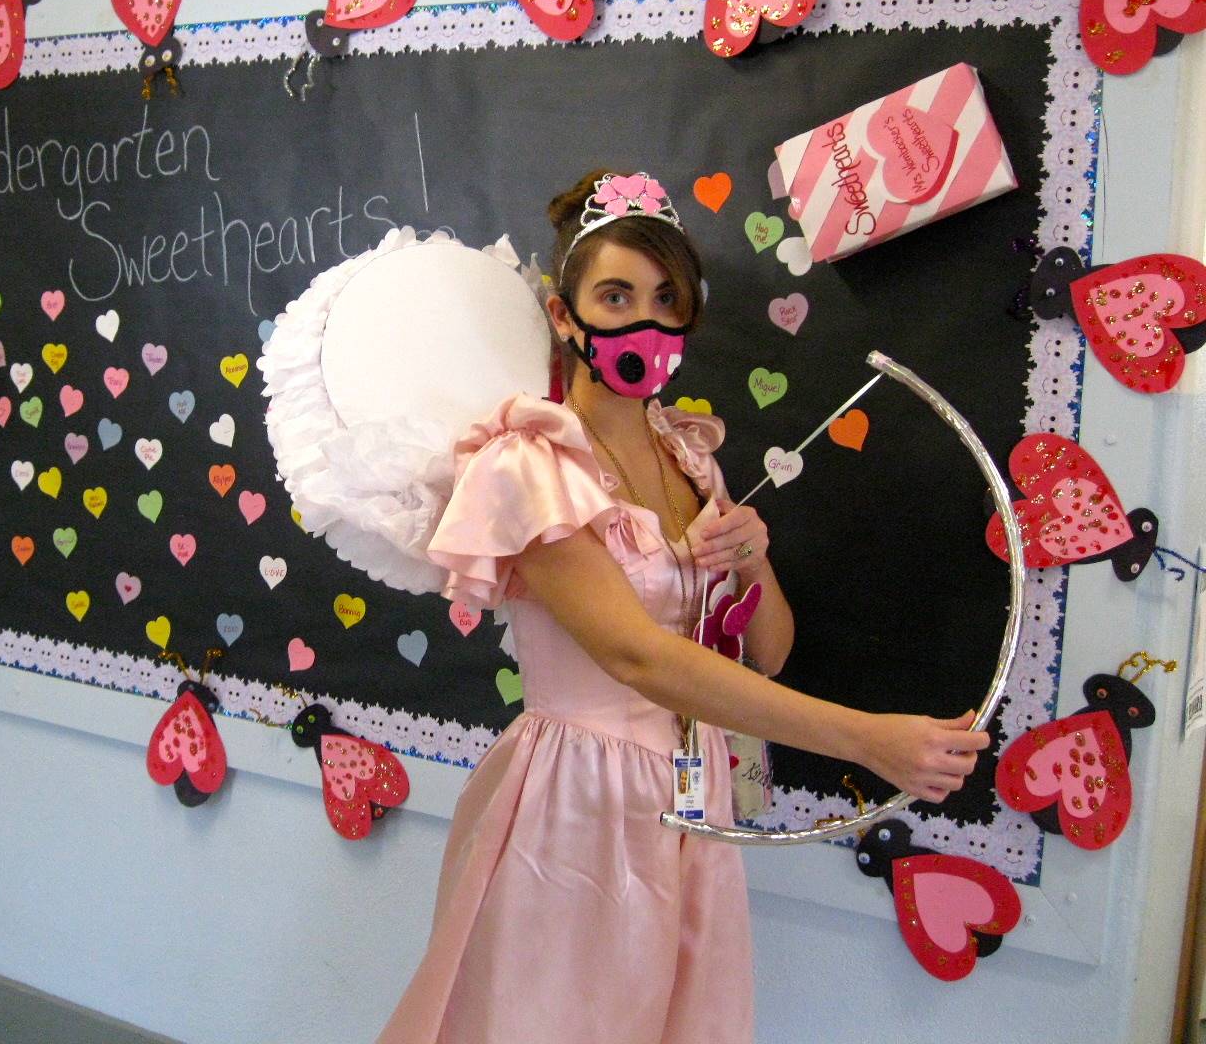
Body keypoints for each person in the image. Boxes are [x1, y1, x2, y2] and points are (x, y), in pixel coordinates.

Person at [375, 169, 990, 1044]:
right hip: (577, 801)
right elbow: (640, 658)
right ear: (564, 314)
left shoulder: (690, 457)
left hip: (697, 796)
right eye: (615, 295)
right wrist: (867, 738)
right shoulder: (530, 467)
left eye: (666, 298)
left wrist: (754, 559)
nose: (645, 322)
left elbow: (766, 651)